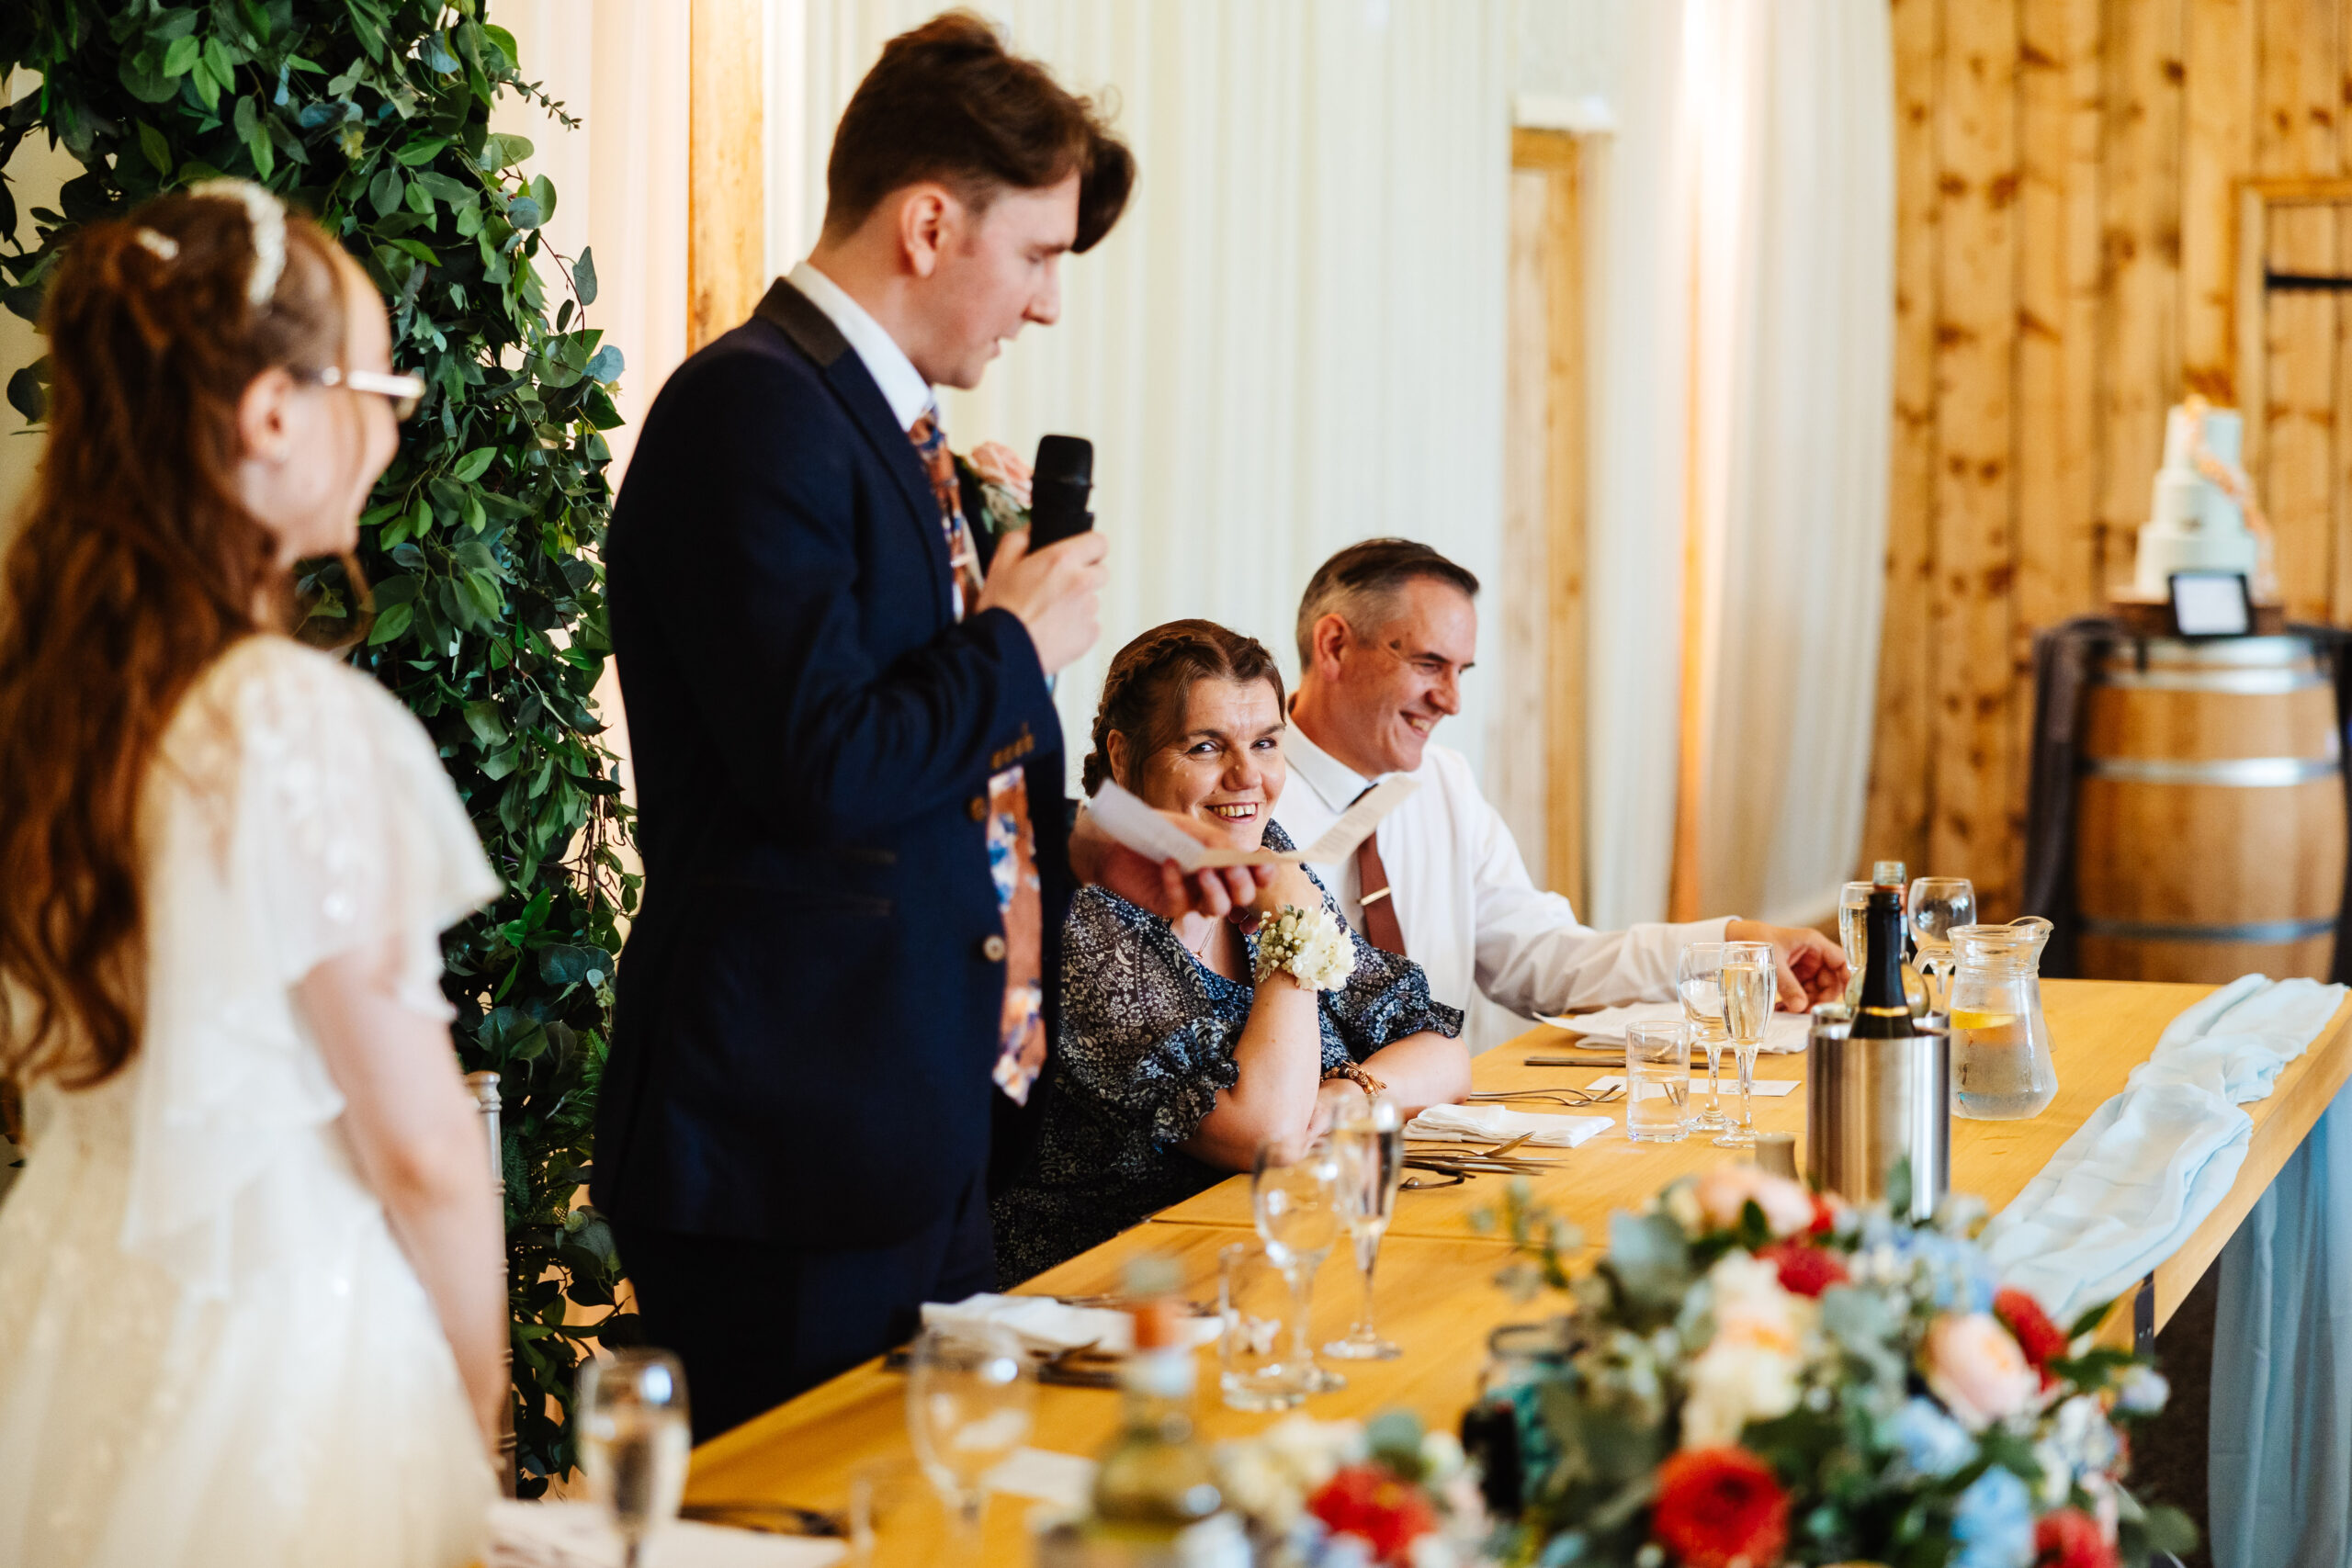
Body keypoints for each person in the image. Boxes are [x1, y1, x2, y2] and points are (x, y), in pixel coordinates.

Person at [595, 15, 1266, 1440]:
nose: (1046, 306)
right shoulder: (752, 413)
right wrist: (1016, 641)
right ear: (926, 222)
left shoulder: (881, 436)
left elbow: (906, 776)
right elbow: (819, 765)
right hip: (790, 1135)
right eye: (1035, 257)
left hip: (915, 1130)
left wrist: (1086, 843)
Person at [0, 186, 502, 1565]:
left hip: (57, 1315)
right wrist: (476, 1403)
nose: (395, 426)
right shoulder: (281, 718)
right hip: (275, 1343)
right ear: (272, 414)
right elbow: (420, 1145)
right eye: (379, 382)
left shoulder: (40, 700)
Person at [993, 622, 1470, 1284]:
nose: (1247, 775)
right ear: (1124, 754)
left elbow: (1443, 1052)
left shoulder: (1260, 851)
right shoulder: (1082, 913)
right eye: (1206, 745)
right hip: (1112, 1292)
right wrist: (1293, 929)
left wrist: (1349, 1097)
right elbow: (1267, 1135)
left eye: (1266, 743)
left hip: (1270, 1253)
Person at [1273, 539, 1848, 1053]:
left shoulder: (1444, 782)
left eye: (1461, 673)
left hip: (1435, 1138)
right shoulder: (1242, 800)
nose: (1451, 701)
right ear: (1334, 646)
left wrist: (1727, 948)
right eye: (1429, 665)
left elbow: (1546, 961)